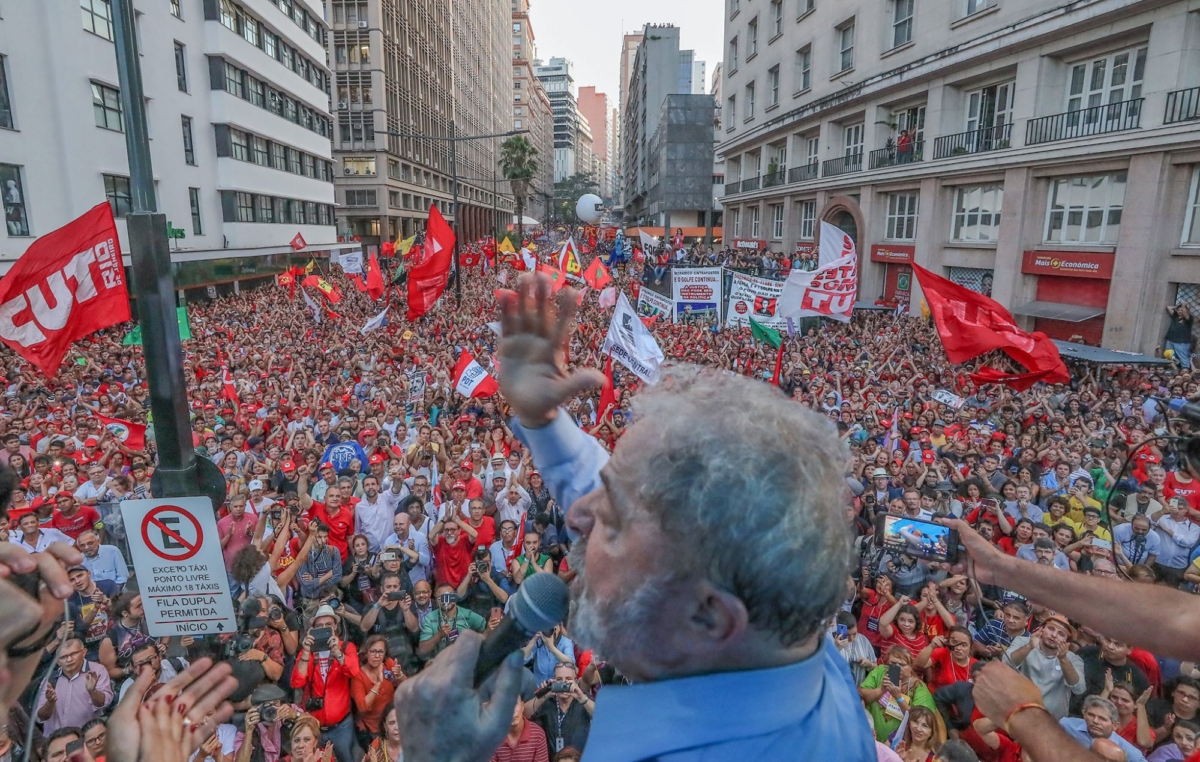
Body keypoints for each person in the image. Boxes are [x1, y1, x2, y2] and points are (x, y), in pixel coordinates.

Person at [392, 275, 875, 762]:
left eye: (613, 522)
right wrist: (545, 426)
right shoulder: (795, 646)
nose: (577, 513)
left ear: (707, 615)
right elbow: (661, 521)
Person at [290, 605, 359, 762]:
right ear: (312, 629)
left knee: (345, 758)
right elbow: (296, 682)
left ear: (335, 626)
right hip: (314, 726)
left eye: (328, 625)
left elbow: (353, 672)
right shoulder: (307, 652)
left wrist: (337, 653)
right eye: (319, 626)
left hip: (341, 725)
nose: (324, 628)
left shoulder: (346, 647)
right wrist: (306, 651)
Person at [1003, 614, 1086, 719]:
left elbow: (1079, 688)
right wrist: (1029, 646)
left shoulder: (1074, 659)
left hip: (1051, 722)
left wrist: (1063, 659)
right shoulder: (1023, 641)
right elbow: (1006, 662)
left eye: (1061, 634)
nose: (1054, 635)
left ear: (1067, 642)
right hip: (1018, 712)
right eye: (1051, 629)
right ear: (1041, 629)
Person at [34, 637, 113, 733]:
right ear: (58, 662)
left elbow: (104, 703)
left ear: (84, 652)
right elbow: (40, 717)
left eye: (74, 654)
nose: (69, 659)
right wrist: (50, 702)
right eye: (63, 657)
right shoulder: (49, 679)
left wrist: (93, 691)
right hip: (55, 741)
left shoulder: (97, 671)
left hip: (85, 739)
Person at [860, 646, 937, 743]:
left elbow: (919, 720)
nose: (897, 667)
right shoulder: (880, 671)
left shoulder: (919, 687)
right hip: (870, 736)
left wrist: (898, 697)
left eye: (902, 664)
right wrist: (881, 690)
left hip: (897, 744)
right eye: (893, 663)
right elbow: (862, 694)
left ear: (910, 666)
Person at [525, 662, 593, 756]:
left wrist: (581, 698)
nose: (563, 684)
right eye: (559, 679)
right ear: (553, 681)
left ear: (575, 681)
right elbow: (524, 714)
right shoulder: (547, 700)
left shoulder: (583, 699)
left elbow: (602, 717)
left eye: (568, 679)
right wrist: (543, 696)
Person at [1059, 695, 1149, 762]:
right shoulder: (1066, 725)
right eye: (1091, 715)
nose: (1095, 721)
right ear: (1084, 714)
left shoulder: (1128, 751)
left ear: (1115, 726)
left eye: (1102, 719)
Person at [1164, 304, 1193, 368]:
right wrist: (1176, 307)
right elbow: (1168, 307)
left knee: (1183, 358)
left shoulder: (1189, 318)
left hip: (1181, 342)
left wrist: (1184, 305)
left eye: (1182, 310)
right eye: (1179, 310)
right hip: (1171, 339)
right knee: (1169, 356)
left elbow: (1185, 314)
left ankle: (1185, 371)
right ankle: (1171, 369)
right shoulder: (1175, 316)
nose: (1180, 312)